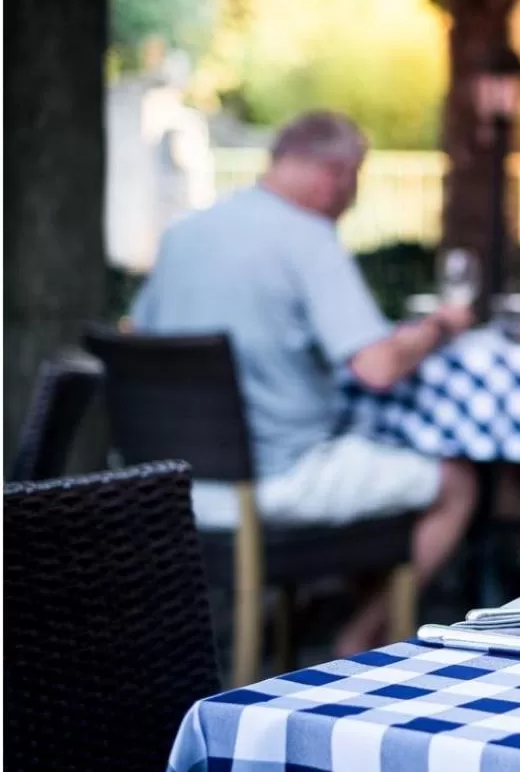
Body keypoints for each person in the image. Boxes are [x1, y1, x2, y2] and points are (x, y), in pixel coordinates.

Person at [129, 110, 478, 655]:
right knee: (455, 481)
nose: (352, 197)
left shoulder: (184, 234)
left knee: (369, 467)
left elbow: (137, 335)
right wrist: (438, 326)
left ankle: (317, 616)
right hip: (272, 484)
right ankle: (363, 642)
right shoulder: (307, 238)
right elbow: (378, 368)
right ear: (334, 174)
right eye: (355, 180)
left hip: (171, 483)